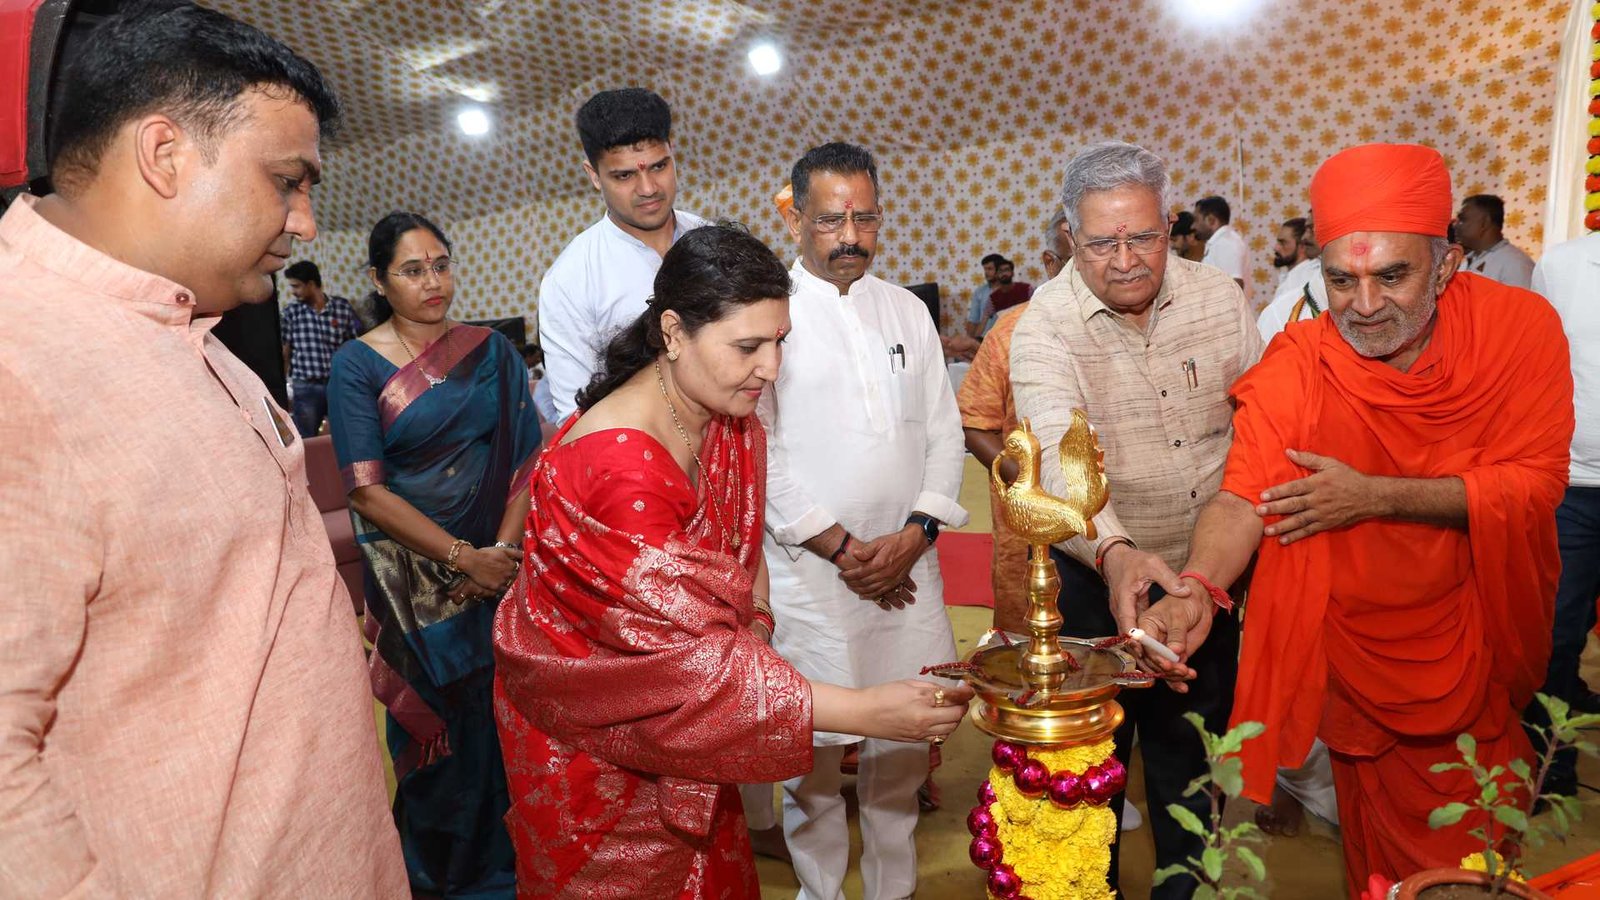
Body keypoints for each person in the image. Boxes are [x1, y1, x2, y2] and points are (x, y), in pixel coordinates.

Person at [0, 3, 406, 895]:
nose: (305, 223)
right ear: (165, 153)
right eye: (287, 181)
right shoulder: (21, 363)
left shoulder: (191, 329)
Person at [1134, 143, 1574, 894]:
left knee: (1465, 863)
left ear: (1447, 264)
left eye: (1392, 276)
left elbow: (1535, 486)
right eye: (1342, 280)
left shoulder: (1518, 329)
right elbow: (1244, 496)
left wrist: (1376, 495)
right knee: (1372, 860)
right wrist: (1199, 586)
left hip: (1469, 642)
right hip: (1351, 658)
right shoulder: (1303, 359)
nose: (1365, 304)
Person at [492, 223, 972, 898]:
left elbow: (743, 550)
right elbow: (687, 669)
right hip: (599, 745)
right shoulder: (621, 469)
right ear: (673, 332)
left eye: (780, 342)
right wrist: (868, 714)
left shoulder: (723, 413)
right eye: (748, 347)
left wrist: (758, 623)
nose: (771, 368)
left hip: (693, 725)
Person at [1010, 141, 1264, 898]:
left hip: (1206, 578)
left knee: (1194, 762)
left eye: (1144, 237)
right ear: (1069, 236)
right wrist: (1116, 552)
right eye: (1101, 243)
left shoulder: (1220, 298)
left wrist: (1205, 577)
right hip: (1097, 583)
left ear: (1170, 225)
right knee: (1092, 778)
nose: (1126, 262)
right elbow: (1057, 458)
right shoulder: (1045, 324)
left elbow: (1259, 432)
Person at [758, 142, 969, 900]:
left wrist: (916, 535)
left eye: (865, 218)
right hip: (812, 579)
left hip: (909, 571)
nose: (850, 235)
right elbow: (761, 453)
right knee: (812, 757)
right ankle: (819, 891)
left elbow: (943, 432)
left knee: (905, 743)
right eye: (830, 220)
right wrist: (845, 550)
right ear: (795, 222)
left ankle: (893, 888)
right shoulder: (769, 317)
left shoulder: (907, 309)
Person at [326, 211, 538, 897]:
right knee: (439, 744)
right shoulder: (357, 364)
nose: (432, 281)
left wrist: (499, 552)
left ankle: (510, 873)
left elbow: (527, 460)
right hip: (414, 588)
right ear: (379, 280)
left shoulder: (492, 352)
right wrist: (461, 558)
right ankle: (440, 879)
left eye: (441, 264)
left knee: (505, 731)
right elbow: (365, 491)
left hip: (499, 575)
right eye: (412, 270)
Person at [539, 87, 707, 421]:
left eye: (659, 166)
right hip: (633, 445)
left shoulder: (713, 240)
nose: (648, 188)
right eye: (625, 175)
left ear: (672, 153)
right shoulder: (570, 280)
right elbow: (576, 417)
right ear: (594, 176)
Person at [1529, 232, 1600, 799]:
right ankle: (1550, 765)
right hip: (1573, 486)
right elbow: (1533, 369)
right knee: (1555, 634)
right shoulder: (1562, 265)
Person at [283, 259, 362, 436]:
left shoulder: (341, 308)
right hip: (306, 386)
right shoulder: (291, 312)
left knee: (345, 434)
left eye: (296, 286)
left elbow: (352, 347)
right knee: (306, 437)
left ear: (311, 284)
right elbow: (285, 350)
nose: (293, 292)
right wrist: (283, 385)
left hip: (337, 384)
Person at [1255, 215, 1328, 342]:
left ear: (1301, 246)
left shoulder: (1309, 278)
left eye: (1283, 242)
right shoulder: (1292, 276)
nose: (1276, 248)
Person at [1455, 194, 1534, 289]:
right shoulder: (1467, 260)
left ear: (1484, 223)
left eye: (1462, 219)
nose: (1455, 225)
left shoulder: (1516, 264)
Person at [1194, 195, 1250, 294]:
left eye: (1197, 220)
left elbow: (1234, 287)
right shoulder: (1219, 243)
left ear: (1211, 220)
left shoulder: (1226, 243)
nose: (1193, 226)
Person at [965, 252, 1004, 337]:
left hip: (1005, 338)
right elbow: (973, 320)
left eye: (989, 269)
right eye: (985, 269)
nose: (986, 272)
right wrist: (970, 340)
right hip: (984, 339)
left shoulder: (1012, 291)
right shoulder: (980, 292)